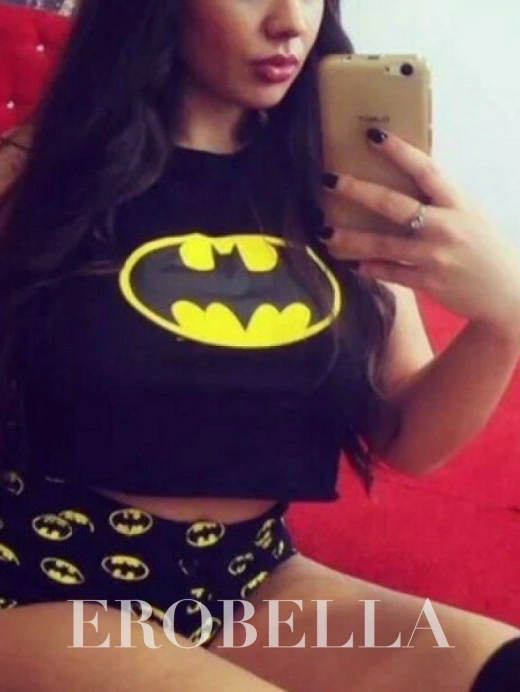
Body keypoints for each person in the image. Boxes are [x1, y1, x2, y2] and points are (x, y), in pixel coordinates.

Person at [0, 0, 520, 690]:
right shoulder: (36, 174)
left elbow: (406, 439)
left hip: (250, 580)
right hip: (43, 580)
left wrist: (504, 317)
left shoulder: (336, 187)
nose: (289, 22)